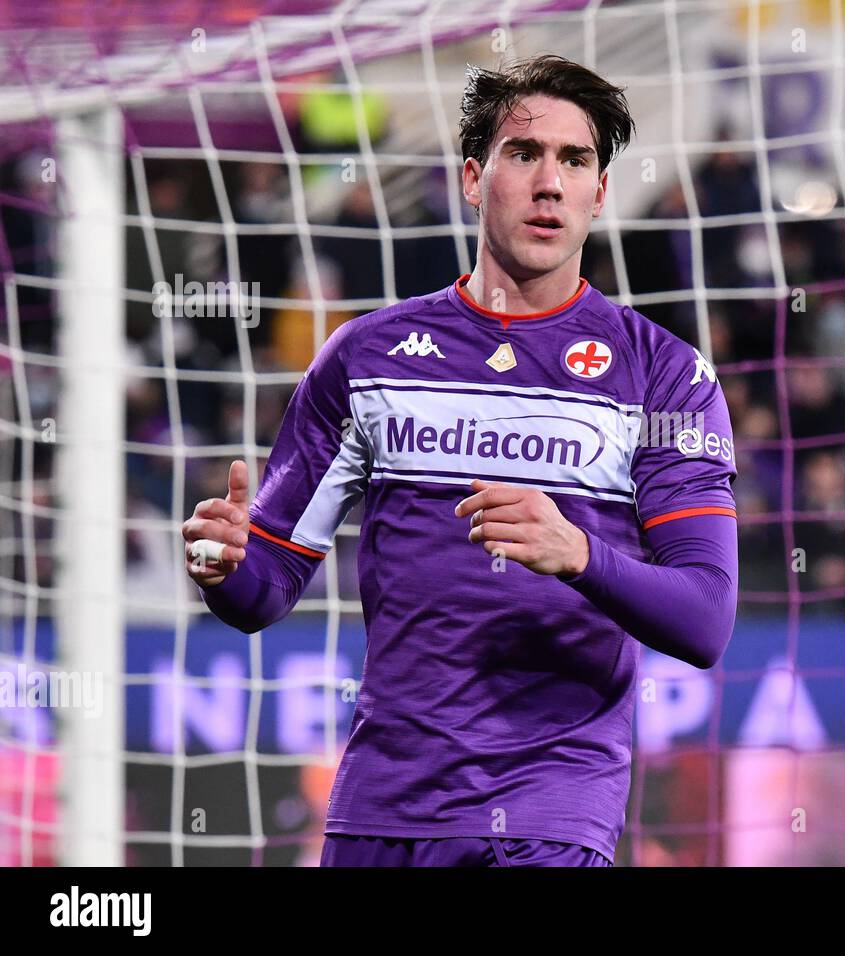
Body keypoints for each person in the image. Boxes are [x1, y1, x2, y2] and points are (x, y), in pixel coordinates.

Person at [181, 54, 739, 867]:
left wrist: (579, 554)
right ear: (475, 180)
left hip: (550, 814)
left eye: (574, 161)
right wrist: (226, 563)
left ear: (600, 193)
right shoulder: (365, 358)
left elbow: (705, 616)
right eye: (525, 154)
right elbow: (265, 590)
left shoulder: (664, 375)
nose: (550, 183)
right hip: (382, 813)